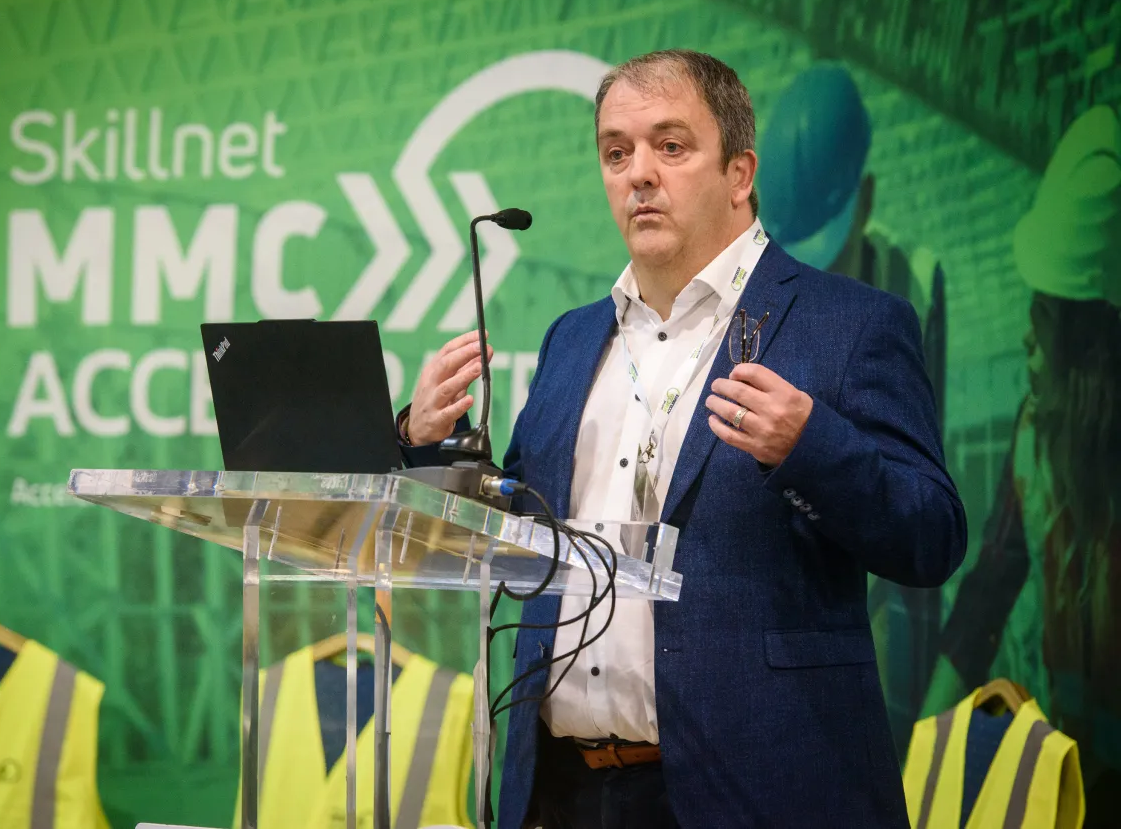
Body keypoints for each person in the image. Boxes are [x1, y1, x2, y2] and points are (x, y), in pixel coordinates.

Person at [398, 49, 966, 828]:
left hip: (759, 792)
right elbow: (515, 525)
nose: (638, 174)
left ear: (740, 174)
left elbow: (931, 538)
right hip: (562, 792)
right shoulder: (573, 339)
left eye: (671, 146)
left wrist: (811, 446)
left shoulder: (851, 325)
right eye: (616, 152)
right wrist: (431, 445)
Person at [924, 104, 1121, 825]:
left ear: (1093, 357)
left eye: (1045, 323)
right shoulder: (1035, 433)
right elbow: (992, 583)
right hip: (1067, 781)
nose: (1024, 342)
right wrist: (922, 744)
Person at [755, 63, 950, 753]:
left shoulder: (910, 288)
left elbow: (921, 497)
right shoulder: (755, 281)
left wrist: (913, 706)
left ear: (865, 200)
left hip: (875, 592)